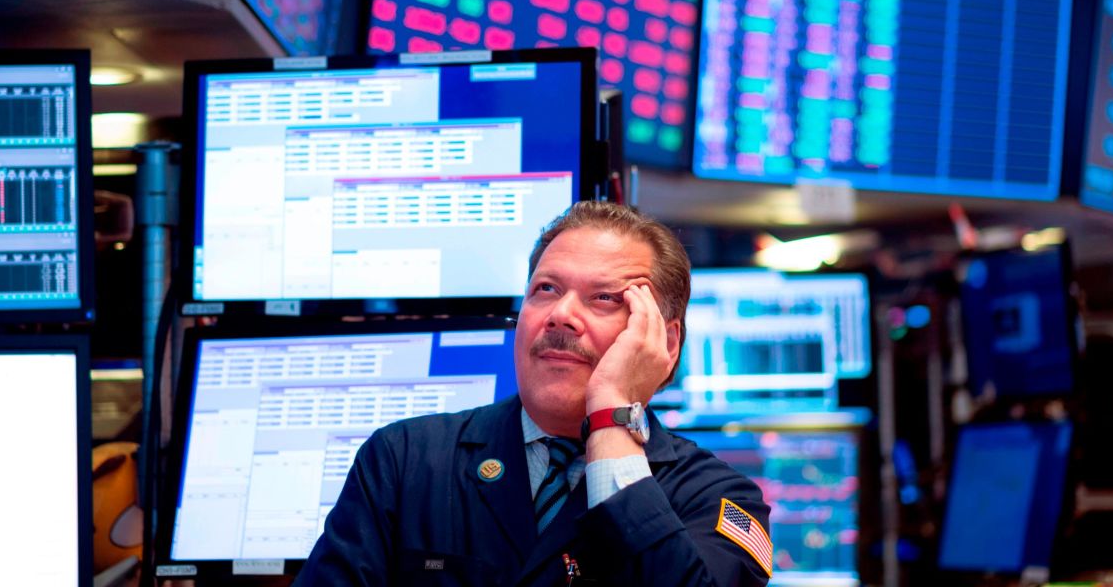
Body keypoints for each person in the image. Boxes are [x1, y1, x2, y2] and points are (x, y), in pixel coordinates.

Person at [294, 201, 772, 586]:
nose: (560, 314)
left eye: (604, 297)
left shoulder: (720, 499)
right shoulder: (405, 460)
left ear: (663, 342)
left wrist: (610, 418)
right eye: (545, 288)